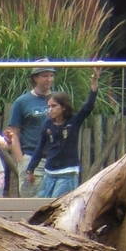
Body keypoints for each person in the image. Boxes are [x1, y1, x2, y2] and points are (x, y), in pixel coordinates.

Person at [23, 68, 101, 199]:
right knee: (42, 204)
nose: (50, 110)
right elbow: (40, 148)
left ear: (63, 107)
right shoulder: (47, 124)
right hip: (49, 172)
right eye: (49, 106)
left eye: (53, 106)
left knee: (58, 205)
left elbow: (88, 106)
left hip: (67, 172)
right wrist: (30, 169)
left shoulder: (73, 121)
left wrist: (94, 82)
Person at [6, 61, 55, 195]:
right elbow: (13, 133)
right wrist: (21, 161)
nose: (49, 79)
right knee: (32, 204)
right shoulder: (22, 102)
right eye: (45, 76)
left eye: (51, 75)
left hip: (55, 159)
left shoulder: (57, 100)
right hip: (32, 158)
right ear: (35, 78)